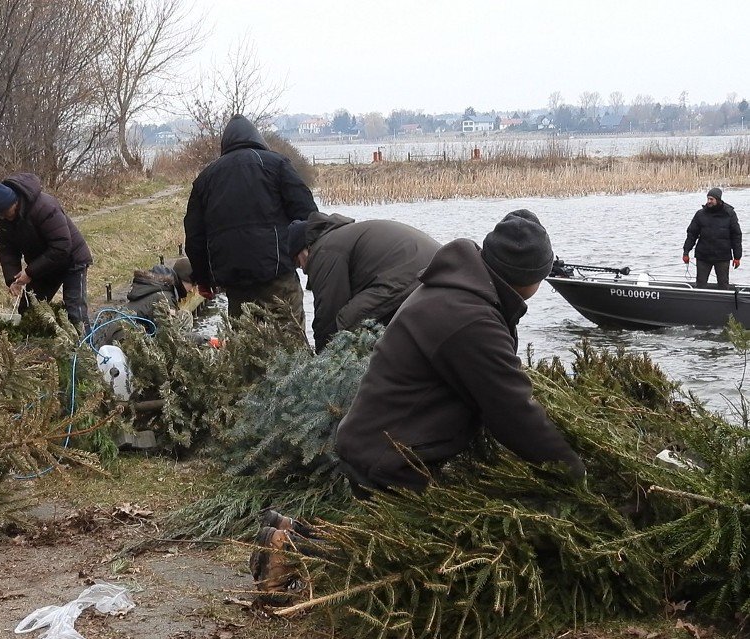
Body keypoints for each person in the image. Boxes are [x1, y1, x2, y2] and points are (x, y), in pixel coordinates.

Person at [335, 209, 586, 498]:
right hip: (391, 464)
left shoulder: (461, 289)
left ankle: (286, 531)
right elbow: (512, 410)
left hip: (380, 447)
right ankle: (289, 540)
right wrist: (574, 474)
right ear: (533, 278)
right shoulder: (470, 318)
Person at [184, 114, 318, 324]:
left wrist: (203, 279)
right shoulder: (278, 164)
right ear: (258, 138)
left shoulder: (205, 179)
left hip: (235, 283)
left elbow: (195, 238)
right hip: (278, 275)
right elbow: (309, 214)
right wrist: (307, 257)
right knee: (291, 344)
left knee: (245, 347)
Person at [287, 212, 441, 353]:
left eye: (297, 261)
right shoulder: (340, 236)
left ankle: (363, 372)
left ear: (304, 249)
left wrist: (322, 360)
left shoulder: (324, 250)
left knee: (345, 320)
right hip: (434, 264)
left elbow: (328, 311)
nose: (300, 267)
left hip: (408, 273)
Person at [0, 173, 93, 329]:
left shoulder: (44, 207)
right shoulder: (3, 218)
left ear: (15, 202)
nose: (2, 217)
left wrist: (29, 272)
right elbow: (6, 249)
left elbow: (62, 246)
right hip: (44, 264)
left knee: (75, 313)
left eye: (4, 212)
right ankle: (34, 346)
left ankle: (86, 349)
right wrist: (12, 279)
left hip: (72, 260)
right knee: (29, 309)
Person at [91, 256, 199, 347]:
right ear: (184, 279)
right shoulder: (165, 298)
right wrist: (206, 341)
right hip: (126, 343)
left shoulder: (158, 288)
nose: (193, 289)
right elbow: (172, 336)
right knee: (185, 316)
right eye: (193, 284)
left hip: (116, 337)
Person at [682, 187, 742, 289]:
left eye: (711, 199)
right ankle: (699, 303)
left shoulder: (729, 214)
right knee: (700, 284)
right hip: (703, 256)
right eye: (708, 199)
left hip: (722, 256)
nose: (708, 201)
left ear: (718, 200)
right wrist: (686, 252)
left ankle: (724, 304)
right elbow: (692, 234)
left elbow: (736, 236)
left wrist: (737, 257)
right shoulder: (700, 214)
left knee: (723, 285)